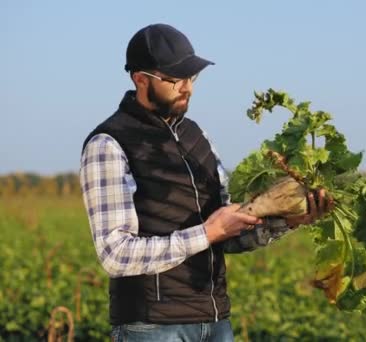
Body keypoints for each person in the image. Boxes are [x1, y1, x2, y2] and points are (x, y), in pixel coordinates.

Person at [79, 23, 332, 342]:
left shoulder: (198, 137)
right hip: (151, 327)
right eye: (175, 80)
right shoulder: (109, 144)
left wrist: (289, 220)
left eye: (192, 77)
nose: (188, 88)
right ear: (141, 79)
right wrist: (207, 232)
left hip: (214, 322)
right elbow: (115, 254)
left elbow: (227, 235)